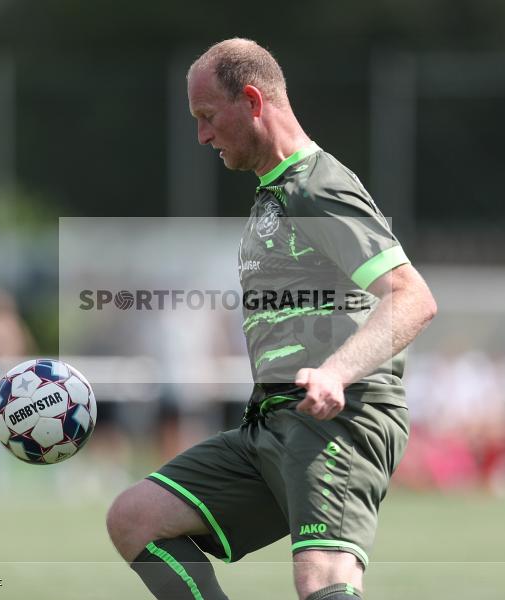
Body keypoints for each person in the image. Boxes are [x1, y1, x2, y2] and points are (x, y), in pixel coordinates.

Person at [106, 39, 437, 600]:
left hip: (336, 420)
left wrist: (335, 372)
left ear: (253, 100)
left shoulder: (315, 187)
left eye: (207, 117)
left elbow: (412, 296)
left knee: (322, 582)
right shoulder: (274, 195)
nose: (202, 135)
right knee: (136, 518)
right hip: (272, 424)